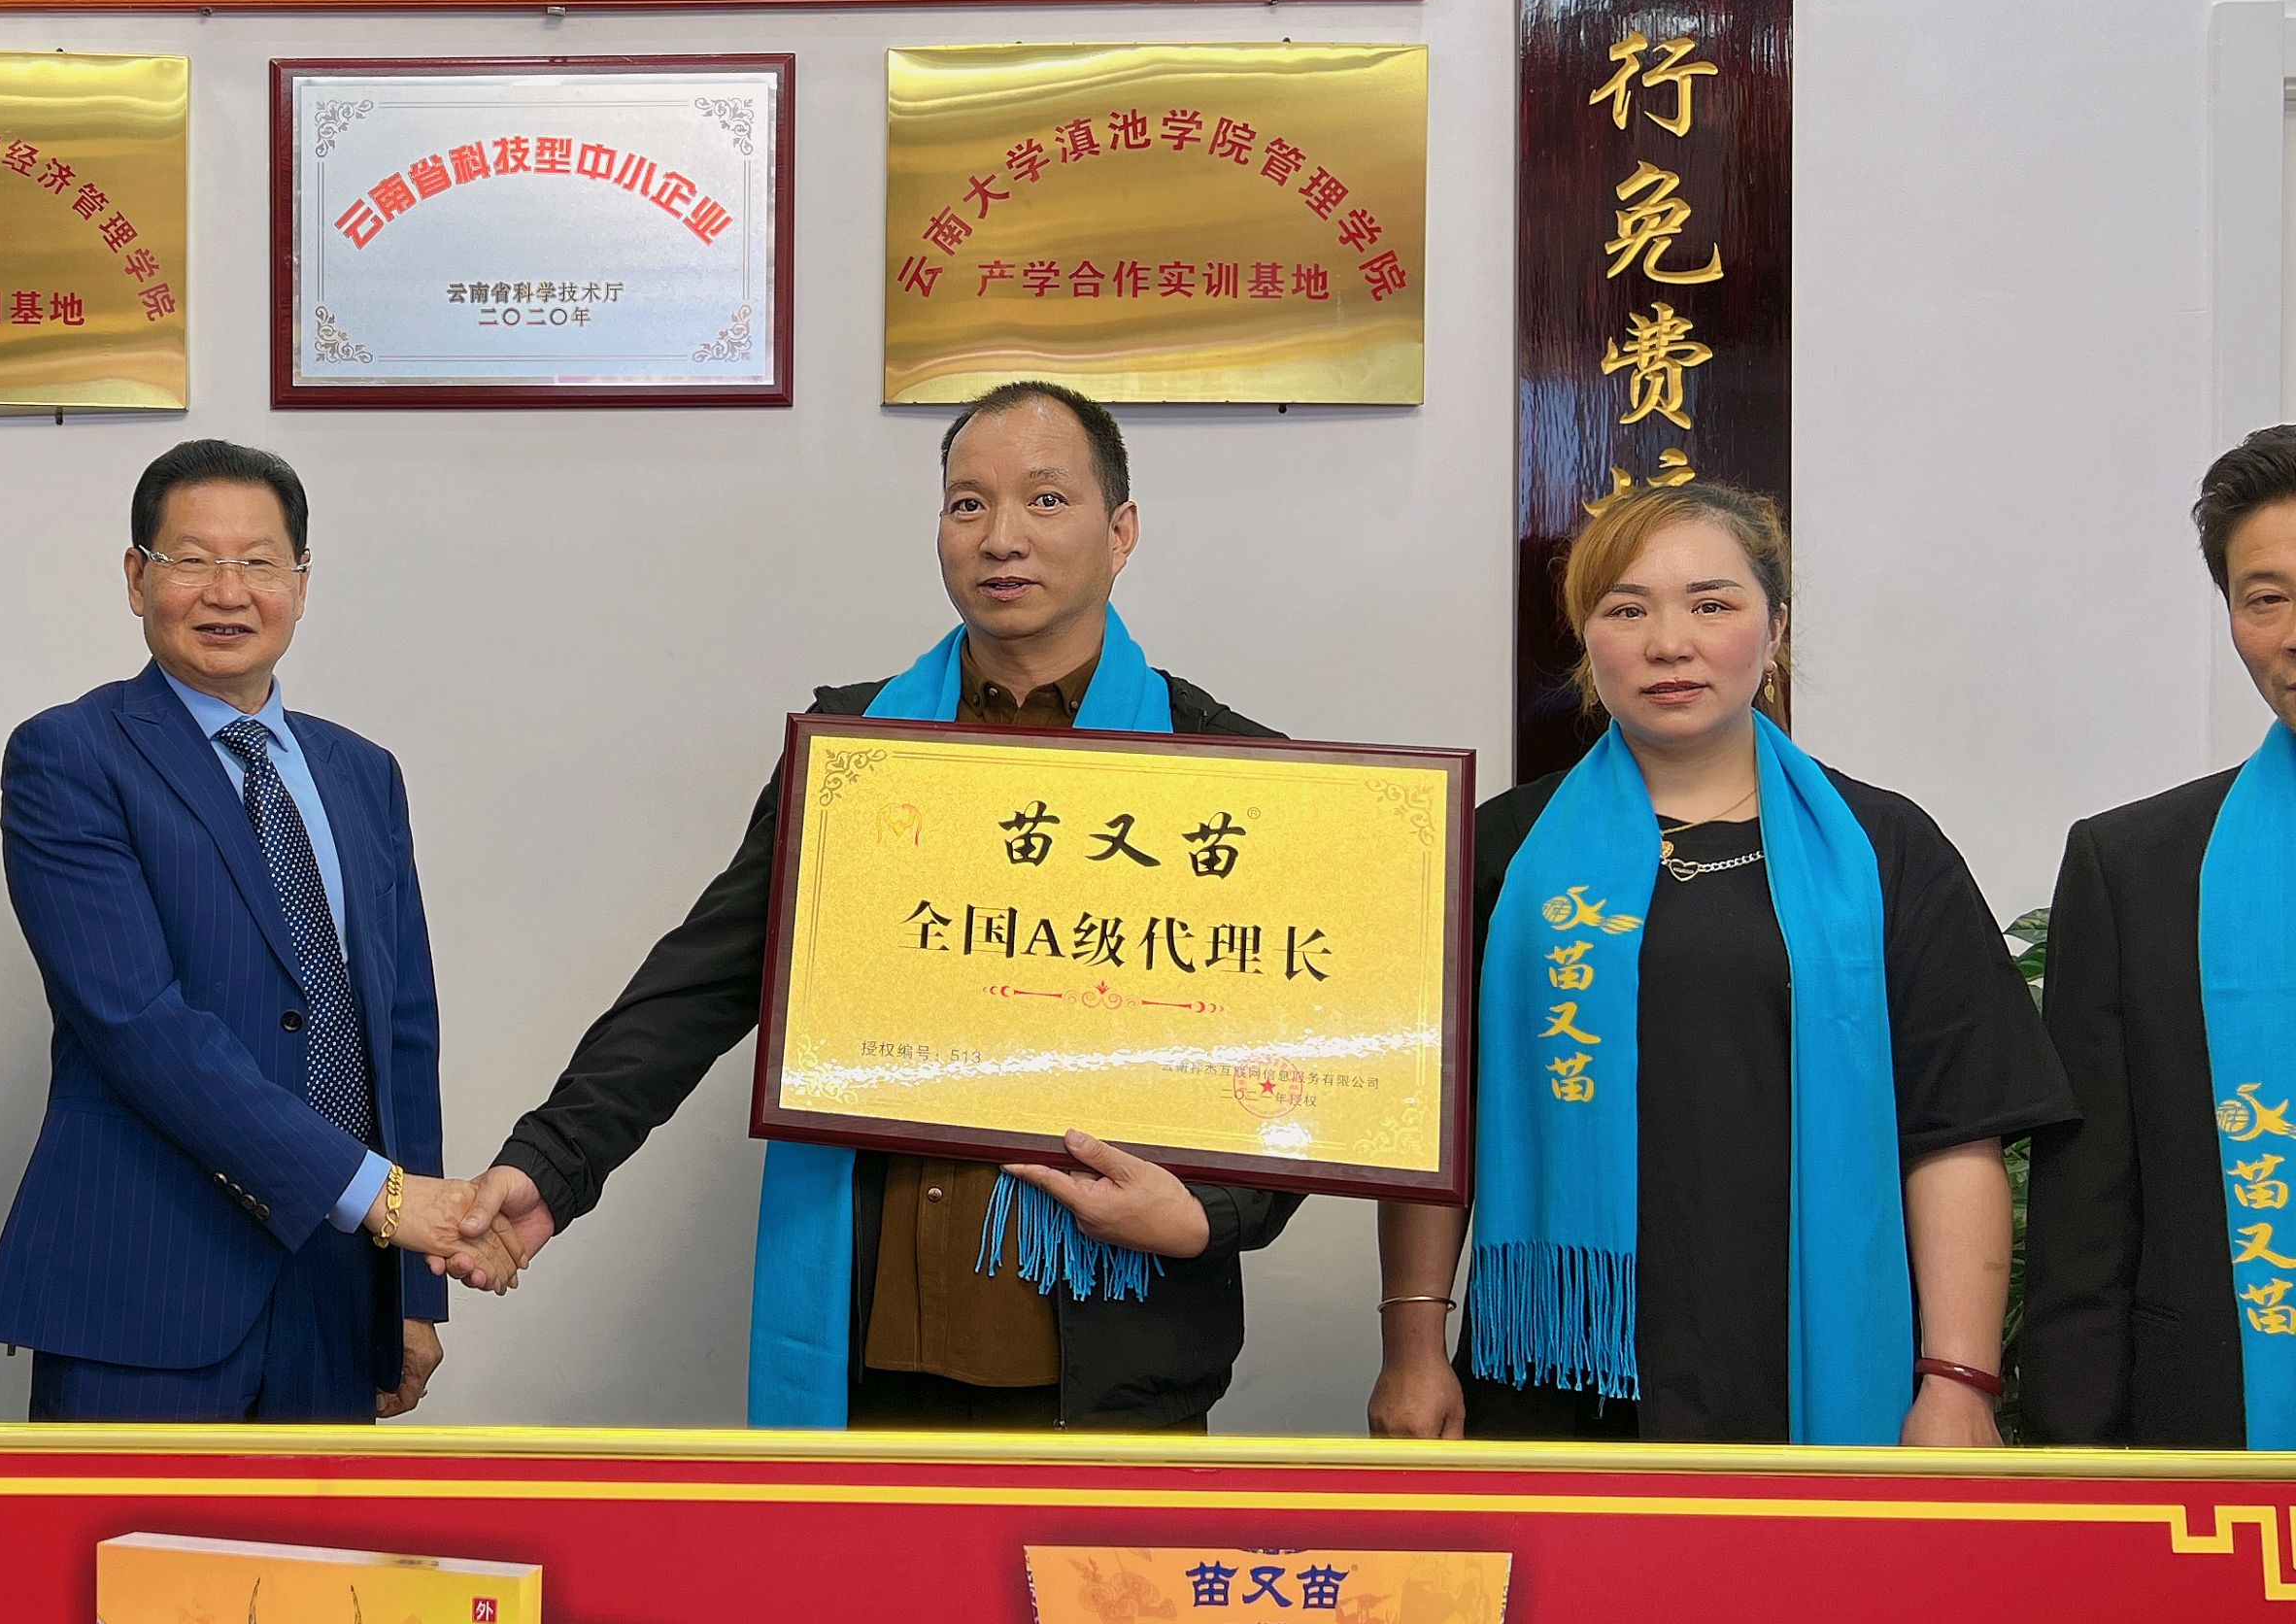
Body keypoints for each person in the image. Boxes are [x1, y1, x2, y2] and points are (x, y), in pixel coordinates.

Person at [452, 382, 1300, 1431]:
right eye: (967, 504)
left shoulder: (1228, 769)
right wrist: (551, 1165)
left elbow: (1309, 1052)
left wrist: (1213, 1213)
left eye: (1045, 500)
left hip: (1113, 1359)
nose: (1001, 538)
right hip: (870, 1352)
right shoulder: (855, 752)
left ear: (1120, 531)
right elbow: (700, 985)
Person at [1369, 479, 2067, 1448]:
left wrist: (1959, 1382)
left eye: (1711, 605)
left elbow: (1955, 1133)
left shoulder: (1884, 849)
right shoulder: (1500, 853)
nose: (1669, 643)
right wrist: (1413, 1349)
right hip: (1562, 1363)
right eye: (1627, 610)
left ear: (1774, 629)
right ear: (1587, 639)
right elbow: (1430, 1130)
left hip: (1801, 1348)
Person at [0, 440, 502, 1423]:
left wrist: (412, 1294)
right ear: (137, 578)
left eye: (259, 562)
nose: (228, 592)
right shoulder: (70, 755)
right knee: (132, 1534)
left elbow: (402, 1037)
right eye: (191, 560)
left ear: (300, 583)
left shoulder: (363, 774)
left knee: (314, 1535)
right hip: (144, 1281)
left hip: (337, 1290)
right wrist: (384, 1197)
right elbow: (137, 1023)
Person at [2026, 425, 2296, 1447]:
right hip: (2218, 1438)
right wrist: (2075, 1480)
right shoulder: (2134, 870)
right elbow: (2084, 1231)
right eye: (2264, 598)